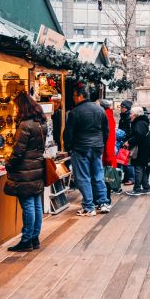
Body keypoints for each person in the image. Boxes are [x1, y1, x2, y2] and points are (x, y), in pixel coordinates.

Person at [5, 93, 48, 252]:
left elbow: (18, 151)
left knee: (28, 204)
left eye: (16, 106)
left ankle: (27, 239)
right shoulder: (41, 123)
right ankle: (34, 237)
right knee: (36, 203)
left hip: (25, 169)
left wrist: (9, 164)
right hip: (36, 166)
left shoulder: (25, 125)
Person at [63, 84, 111, 216]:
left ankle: (89, 206)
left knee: (83, 177)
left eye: (74, 96)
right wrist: (102, 143)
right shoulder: (100, 110)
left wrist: (69, 148)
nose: (73, 98)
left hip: (80, 148)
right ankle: (103, 202)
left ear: (80, 96)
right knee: (98, 174)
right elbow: (106, 131)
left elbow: (68, 133)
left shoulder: (75, 112)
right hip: (97, 147)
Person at [126, 105, 150, 196]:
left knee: (138, 168)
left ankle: (137, 189)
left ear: (135, 115)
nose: (130, 115)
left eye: (131, 114)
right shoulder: (142, 121)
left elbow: (139, 136)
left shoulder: (139, 123)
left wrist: (129, 142)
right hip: (145, 149)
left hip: (142, 150)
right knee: (143, 168)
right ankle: (146, 188)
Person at [100, 99, 118, 199]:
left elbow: (109, 139)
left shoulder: (106, 117)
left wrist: (109, 157)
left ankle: (106, 200)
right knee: (106, 178)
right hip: (107, 154)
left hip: (106, 155)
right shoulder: (108, 116)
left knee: (106, 178)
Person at [118, 100, 135, 186]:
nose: (120, 108)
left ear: (126, 108)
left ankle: (131, 178)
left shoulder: (128, 118)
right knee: (123, 160)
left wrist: (127, 141)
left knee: (128, 161)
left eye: (122, 107)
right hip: (123, 141)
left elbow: (130, 131)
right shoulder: (123, 117)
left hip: (127, 142)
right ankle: (126, 177)